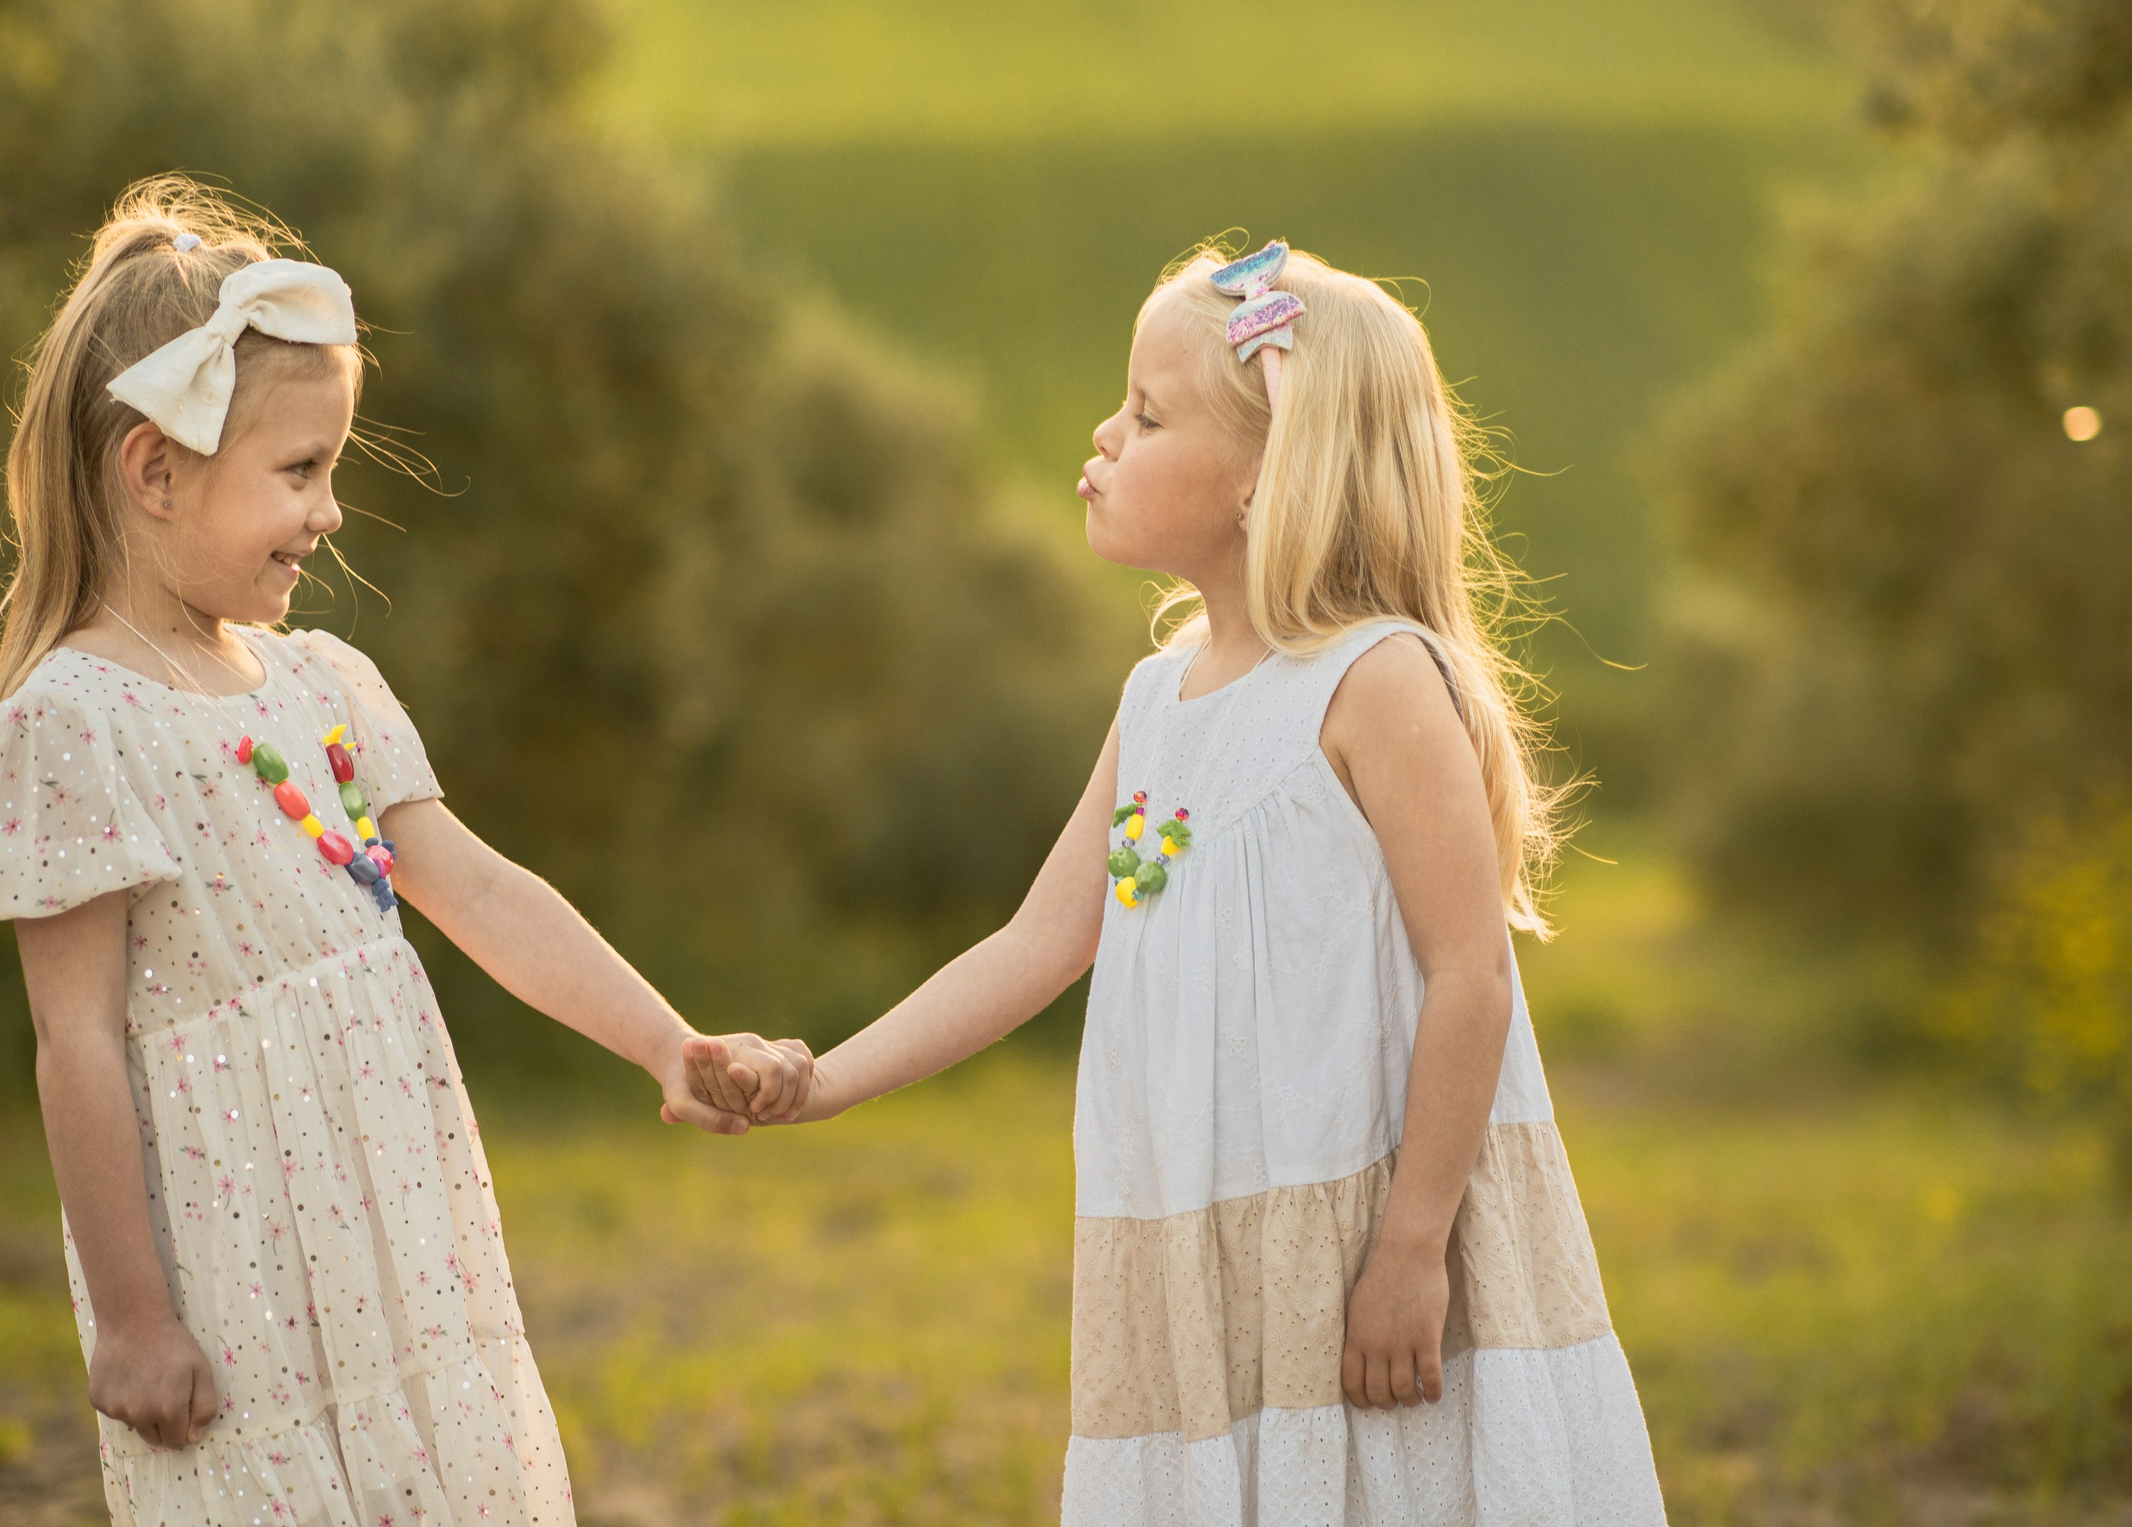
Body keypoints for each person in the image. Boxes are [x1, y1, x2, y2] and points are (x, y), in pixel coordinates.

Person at [686, 242, 1668, 1524]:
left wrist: (1414, 1246)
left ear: (1266, 476)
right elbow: (1039, 939)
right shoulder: (1158, 702)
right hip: (1203, 1248)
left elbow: (1471, 975)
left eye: (1146, 414)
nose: (1103, 430)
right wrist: (826, 1078)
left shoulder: (1374, 682)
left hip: (1366, 1239)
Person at [0, 177, 807, 1527]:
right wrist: (131, 1315)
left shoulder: (325, 685)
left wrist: (665, 1039)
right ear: (154, 470)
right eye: (299, 472)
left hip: (399, 1238)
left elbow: (475, 886)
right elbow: (78, 1039)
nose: (332, 511)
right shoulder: (76, 725)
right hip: (235, 1271)